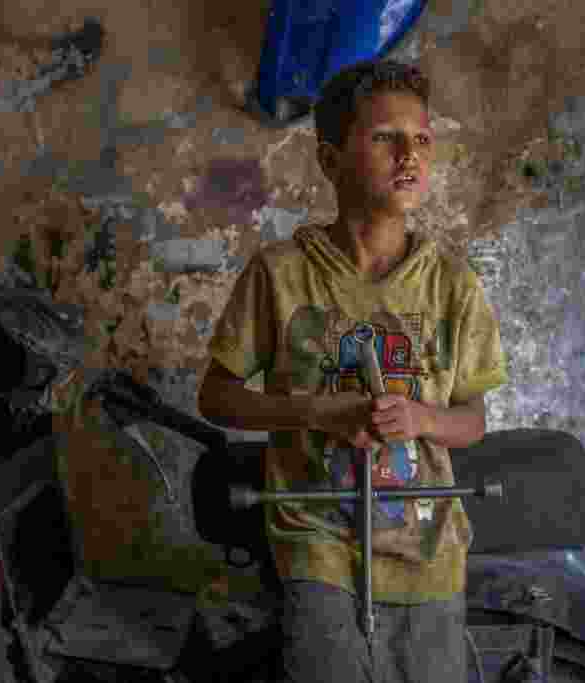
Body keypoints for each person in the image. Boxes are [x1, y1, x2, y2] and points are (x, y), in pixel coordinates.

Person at [197, 58, 509, 683]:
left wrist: (421, 417)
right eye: (384, 138)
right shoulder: (281, 274)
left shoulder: (450, 285)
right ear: (331, 159)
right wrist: (318, 411)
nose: (409, 156)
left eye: (421, 139)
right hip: (317, 537)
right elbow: (218, 396)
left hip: (426, 544)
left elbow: (473, 420)